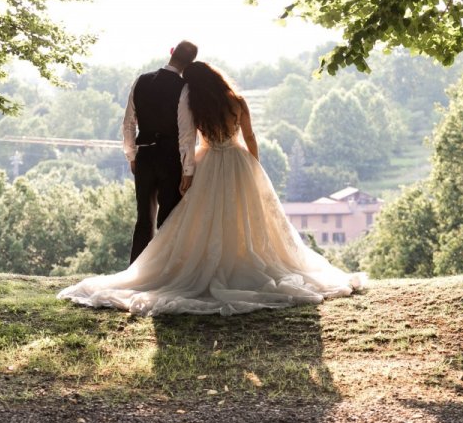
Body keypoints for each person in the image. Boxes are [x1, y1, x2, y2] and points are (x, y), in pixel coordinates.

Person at [58, 62, 364, 316]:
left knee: (200, 219)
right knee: (243, 217)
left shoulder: (195, 102)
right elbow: (251, 137)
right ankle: (239, 259)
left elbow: (188, 139)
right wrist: (254, 166)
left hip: (207, 163)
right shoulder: (238, 101)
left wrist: (187, 172)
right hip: (238, 162)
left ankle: (199, 263)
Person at [123, 40, 199, 263]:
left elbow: (128, 123)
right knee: (168, 220)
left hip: (144, 156)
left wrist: (131, 154)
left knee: (143, 219)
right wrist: (188, 170)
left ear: (172, 52)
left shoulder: (141, 81)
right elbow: (186, 133)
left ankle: (135, 271)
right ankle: (163, 272)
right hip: (170, 159)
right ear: (190, 62)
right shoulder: (184, 88)